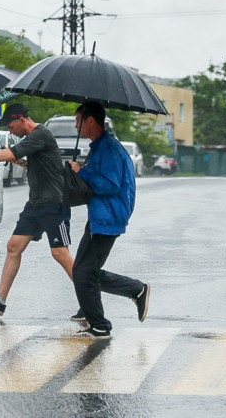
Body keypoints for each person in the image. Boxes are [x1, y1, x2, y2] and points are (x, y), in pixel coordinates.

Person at [0, 103, 74, 316]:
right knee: (14, 246)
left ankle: (89, 302)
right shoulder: (33, 139)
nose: (9, 131)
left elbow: (11, 152)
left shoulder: (41, 134)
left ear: (22, 119)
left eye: (11, 126)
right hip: (36, 203)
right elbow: (37, 164)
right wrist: (23, 163)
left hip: (54, 204)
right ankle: (0, 301)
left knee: (60, 253)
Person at [68, 101, 150, 339]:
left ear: (90, 120)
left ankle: (110, 315)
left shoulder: (108, 149)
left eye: (77, 121)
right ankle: (95, 315)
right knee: (83, 270)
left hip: (108, 216)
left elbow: (109, 185)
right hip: (100, 215)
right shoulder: (100, 147)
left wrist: (80, 171)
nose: (76, 127)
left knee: (85, 272)